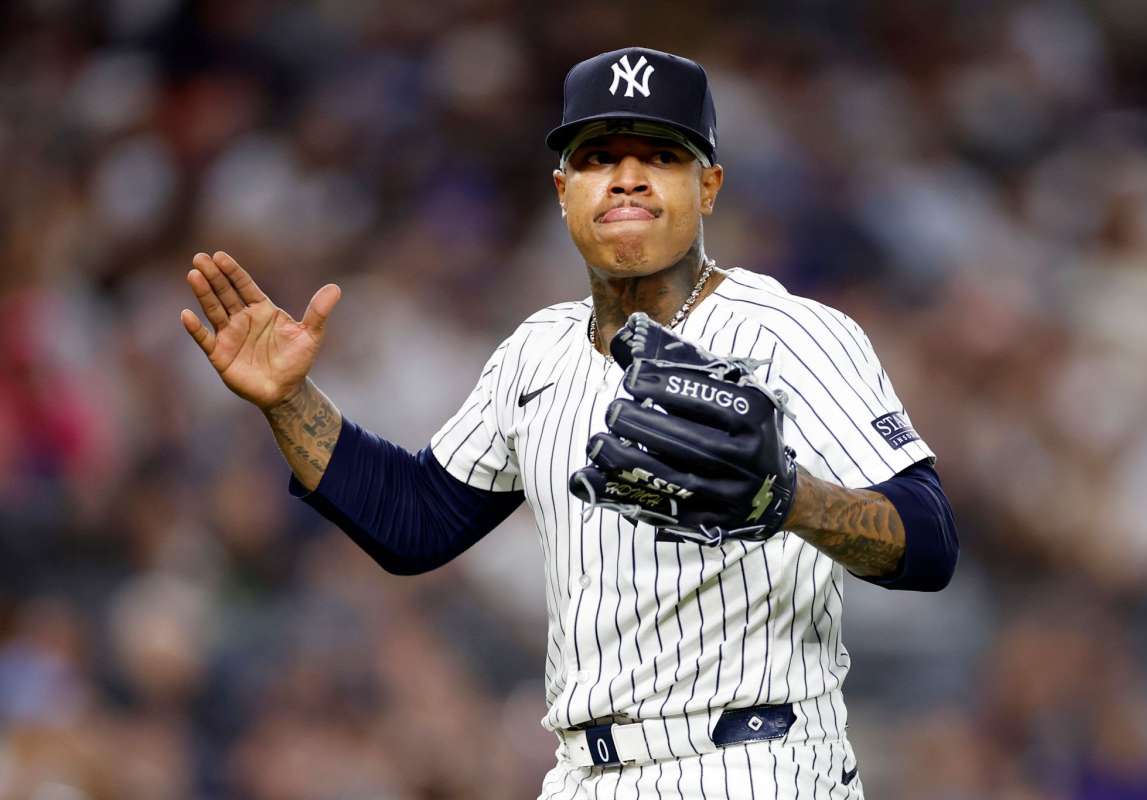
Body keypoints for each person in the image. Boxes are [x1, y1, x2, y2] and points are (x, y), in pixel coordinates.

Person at [181, 46, 958, 799]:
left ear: (709, 185)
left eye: (658, 155)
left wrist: (787, 499)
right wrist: (289, 400)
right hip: (581, 774)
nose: (625, 178)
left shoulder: (791, 334)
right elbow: (415, 522)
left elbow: (927, 539)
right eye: (596, 157)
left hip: (753, 762)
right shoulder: (535, 352)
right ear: (563, 190)